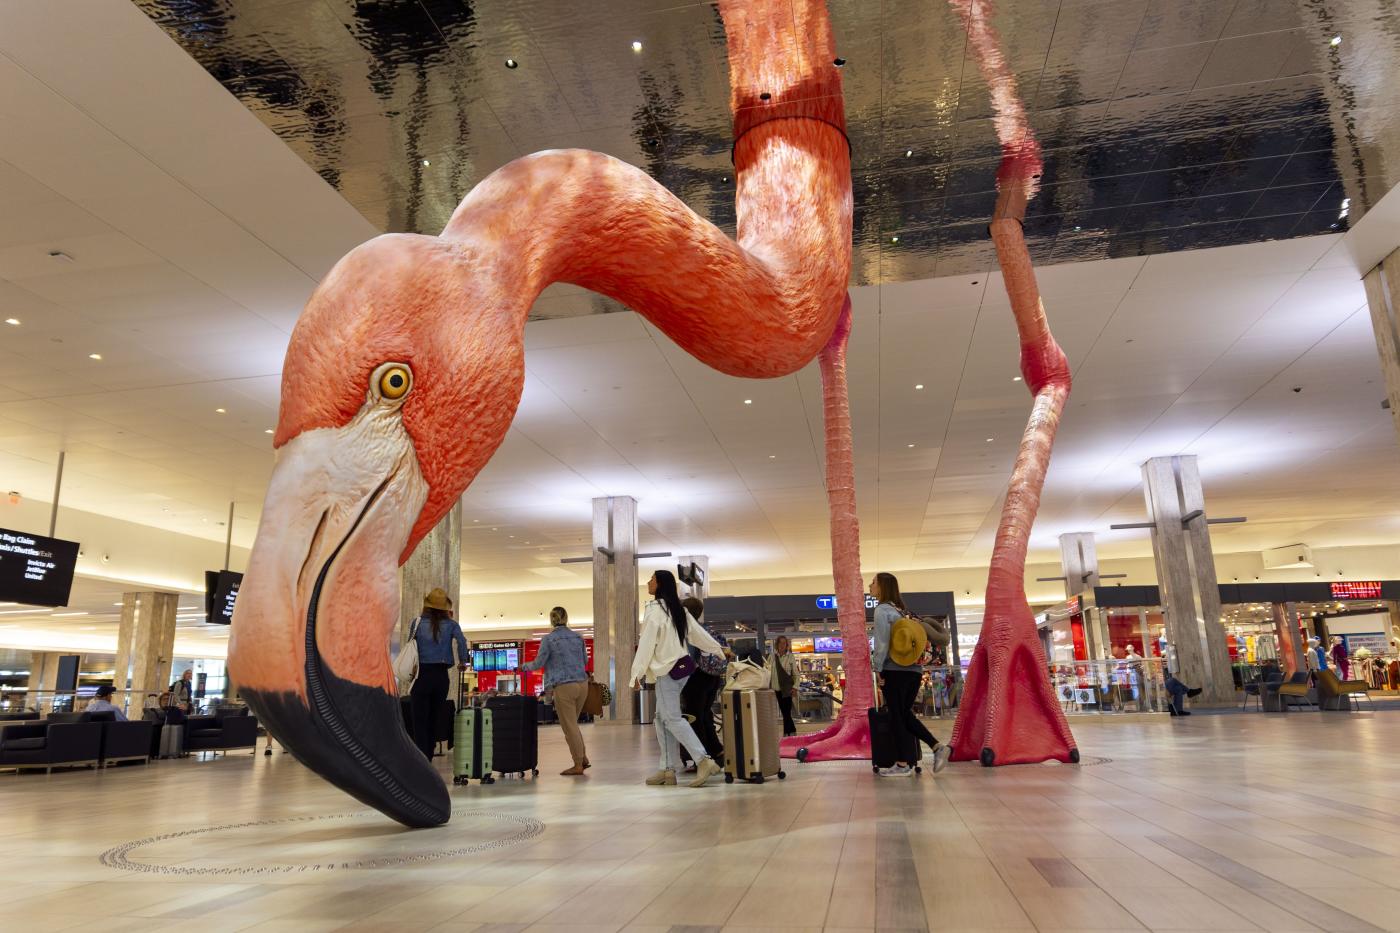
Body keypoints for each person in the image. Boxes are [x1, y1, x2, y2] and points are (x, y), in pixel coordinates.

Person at [630, 569, 725, 788]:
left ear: (660, 584)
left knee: (671, 718)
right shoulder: (677, 610)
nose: (648, 582)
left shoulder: (655, 612)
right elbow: (698, 634)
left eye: (652, 579)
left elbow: (646, 645)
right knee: (661, 718)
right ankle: (667, 769)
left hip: (667, 672)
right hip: (682, 671)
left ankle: (703, 760)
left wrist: (636, 674)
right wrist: (718, 649)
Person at [870, 572, 950, 776]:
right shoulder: (902, 610)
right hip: (914, 670)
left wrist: (877, 669)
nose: (870, 586)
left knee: (898, 717)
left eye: (873, 583)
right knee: (903, 715)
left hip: (895, 671)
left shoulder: (882, 611)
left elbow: (882, 644)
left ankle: (905, 763)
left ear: (882, 588)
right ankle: (933, 749)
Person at [521, 606, 591, 776]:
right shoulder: (578, 637)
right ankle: (583, 759)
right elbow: (585, 660)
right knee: (572, 725)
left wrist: (523, 667)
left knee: (570, 727)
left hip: (564, 686)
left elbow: (539, 663)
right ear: (566, 618)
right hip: (582, 684)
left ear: (551, 620)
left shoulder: (548, 639)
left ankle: (577, 765)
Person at [409, 587, 468, 760]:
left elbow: (410, 646)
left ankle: (422, 757)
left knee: (419, 719)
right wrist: (462, 662)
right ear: (444, 608)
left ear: (427, 606)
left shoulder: (417, 623)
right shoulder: (451, 624)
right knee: (434, 717)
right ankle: (430, 753)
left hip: (422, 675)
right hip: (441, 677)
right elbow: (462, 642)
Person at [679, 596, 730, 770]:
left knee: (694, 718)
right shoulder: (706, 630)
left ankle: (702, 758)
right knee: (705, 714)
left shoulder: (689, 632)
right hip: (712, 678)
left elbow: (689, 658)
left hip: (696, 679)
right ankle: (716, 751)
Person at [769, 635, 799, 737]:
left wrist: (795, 687)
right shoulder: (772, 656)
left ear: (787, 645)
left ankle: (787, 733)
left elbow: (796, 674)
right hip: (776, 689)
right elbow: (767, 671)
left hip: (787, 689)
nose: (782, 645)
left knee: (786, 712)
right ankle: (791, 731)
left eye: (784, 643)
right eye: (780, 643)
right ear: (776, 644)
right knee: (785, 712)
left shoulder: (790, 656)